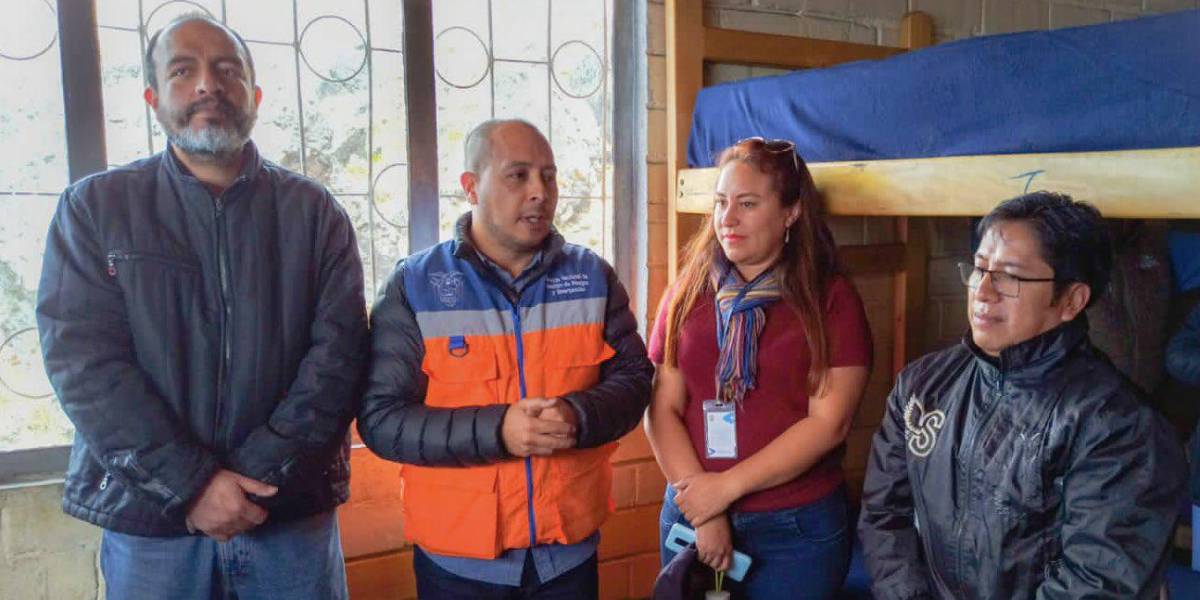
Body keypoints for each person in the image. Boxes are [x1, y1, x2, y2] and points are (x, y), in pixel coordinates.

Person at [36, 14, 367, 599]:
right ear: (153, 99)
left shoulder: (316, 215)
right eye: (183, 71)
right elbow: (83, 364)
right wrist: (191, 486)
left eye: (227, 70)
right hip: (153, 525)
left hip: (286, 515)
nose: (208, 85)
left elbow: (338, 359)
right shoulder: (95, 209)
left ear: (255, 96)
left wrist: (254, 481)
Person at [357, 119, 653, 598]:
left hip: (568, 557)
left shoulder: (593, 276)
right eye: (518, 175)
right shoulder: (414, 285)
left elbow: (635, 380)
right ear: (471, 187)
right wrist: (499, 431)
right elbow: (382, 421)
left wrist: (577, 415)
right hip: (459, 567)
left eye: (549, 176)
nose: (540, 192)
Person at [858, 191, 1186, 599]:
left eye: (1010, 276)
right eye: (979, 268)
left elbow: (1096, 584)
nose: (983, 291)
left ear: (1071, 300)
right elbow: (884, 515)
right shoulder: (922, 386)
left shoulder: (1118, 427)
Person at [645, 137, 873, 598]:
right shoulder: (687, 290)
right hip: (693, 514)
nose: (727, 218)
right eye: (721, 203)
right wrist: (706, 510)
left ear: (791, 212)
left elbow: (829, 424)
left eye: (747, 204)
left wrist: (724, 489)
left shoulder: (831, 299)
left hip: (795, 529)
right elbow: (660, 409)